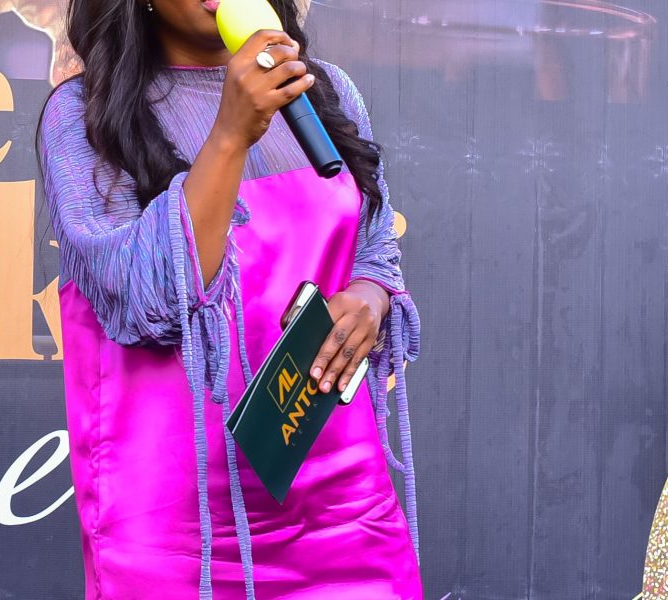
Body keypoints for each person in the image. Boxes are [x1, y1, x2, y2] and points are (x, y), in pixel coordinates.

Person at [40, 0, 424, 597]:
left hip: (342, 501)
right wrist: (230, 133)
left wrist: (370, 297)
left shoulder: (324, 90)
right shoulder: (85, 114)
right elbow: (144, 305)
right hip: (176, 528)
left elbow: (374, 245)